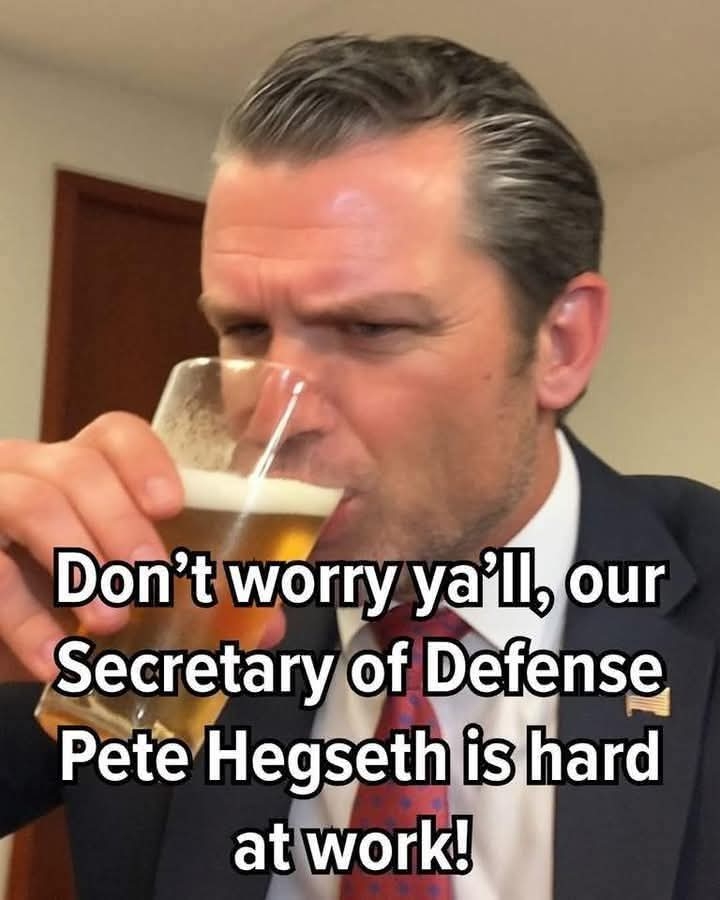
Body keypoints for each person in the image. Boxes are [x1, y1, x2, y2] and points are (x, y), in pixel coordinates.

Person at [1, 34, 718, 900]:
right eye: (247, 330)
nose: (274, 409)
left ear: (560, 345)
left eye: (370, 329)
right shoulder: (173, 613)